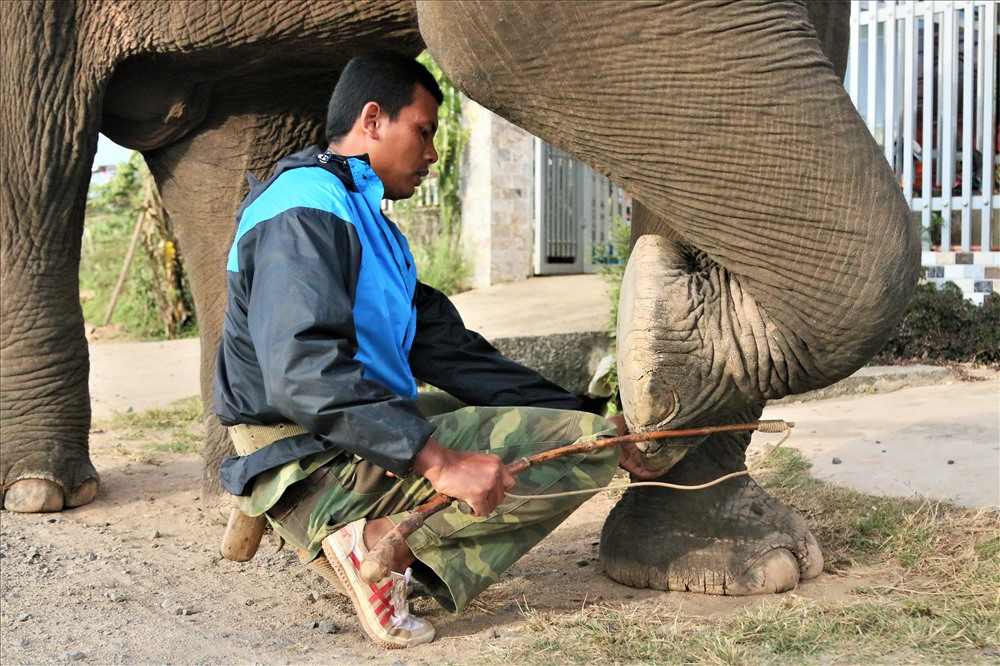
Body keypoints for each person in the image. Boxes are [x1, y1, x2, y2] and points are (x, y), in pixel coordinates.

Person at [213, 52, 654, 649]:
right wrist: (441, 463)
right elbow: (302, 370)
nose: (432, 154)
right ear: (373, 121)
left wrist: (596, 417)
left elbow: (458, 358)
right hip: (305, 456)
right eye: (423, 132)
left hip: (334, 434)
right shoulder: (305, 210)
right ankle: (374, 541)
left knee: (582, 432)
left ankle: (367, 529)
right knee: (576, 452)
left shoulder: (368, 227)